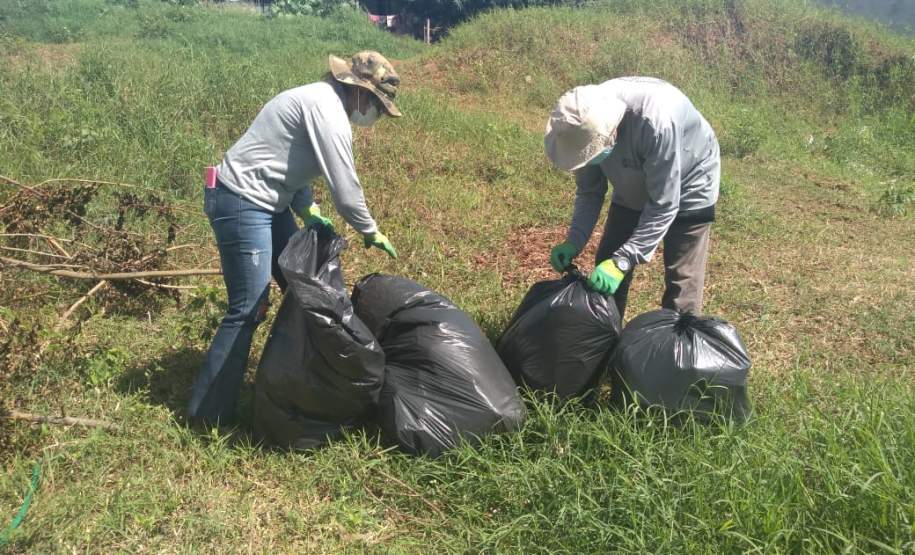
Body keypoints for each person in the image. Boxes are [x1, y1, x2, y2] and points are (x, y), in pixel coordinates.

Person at [189, 51, 401, 425]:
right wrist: (369, 230)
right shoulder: (327, 110)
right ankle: (207, 417)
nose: (375, 115)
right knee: (249, 307)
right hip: (241, 201)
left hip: (269, 203)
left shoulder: (319, 101)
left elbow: (288, 160)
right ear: (358, 91)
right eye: (376, 106)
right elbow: (346, 190)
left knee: (302, 290)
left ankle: (303, 383)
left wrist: (307, 209)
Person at [544, 77, 720, 318]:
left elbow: (664, 204)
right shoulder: (583, 125)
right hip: (633, 175)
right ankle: (606, 333)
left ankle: (679, 338)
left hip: (690, 179)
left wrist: (624, 260)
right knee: (607, 261)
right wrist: (574, 241)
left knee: (682, 281)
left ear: (611, 132)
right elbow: (589, 192)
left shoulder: (655, 121)